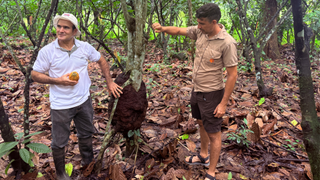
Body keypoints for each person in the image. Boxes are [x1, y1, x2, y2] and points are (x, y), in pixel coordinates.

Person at [31, 13, 123, 180]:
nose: (61, 30)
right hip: (60, 104)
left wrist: (109, 82)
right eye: (59, 26)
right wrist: (57, 80)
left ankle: (88, 162)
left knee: (86, 133)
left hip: (83, 100)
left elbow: (101, 60)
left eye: (66, 27)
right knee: (59, 141)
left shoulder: (84, 47)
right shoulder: (47, 51)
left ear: (74, 31)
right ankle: (60, 173)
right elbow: (35, 74)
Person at [152, 3, 238, 180]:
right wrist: (162, 28)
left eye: (202, 23)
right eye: (197, 23)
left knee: (214, 133)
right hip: (197, 90)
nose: (198, 26)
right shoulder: (200, 32)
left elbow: (232, 75)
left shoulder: (227, 42)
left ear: (214, 22)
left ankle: (211, 172)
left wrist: (223, 104)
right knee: (201, 123)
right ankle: (203, 156)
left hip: (213, 93)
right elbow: (178, 31)